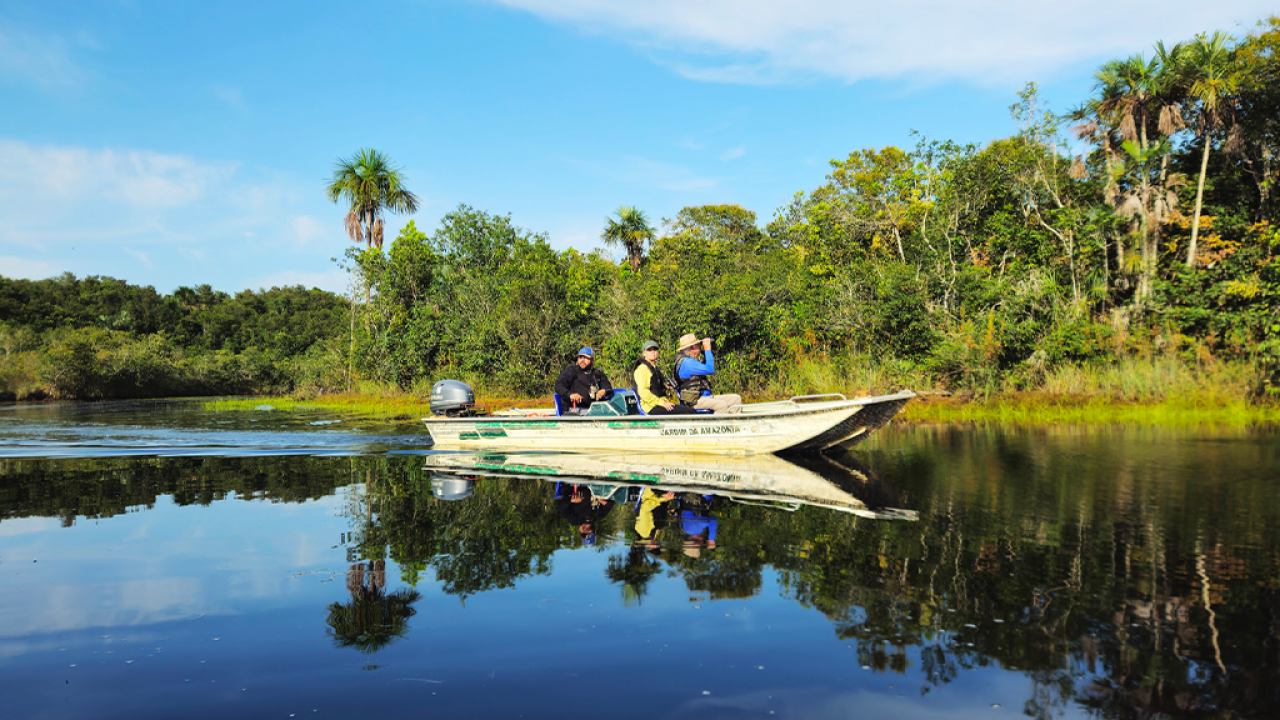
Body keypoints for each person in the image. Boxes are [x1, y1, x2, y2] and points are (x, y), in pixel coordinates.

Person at [673, 333, 742, 414]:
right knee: (721, 405)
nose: (700, 346)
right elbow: (710, 369)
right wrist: (707, 350)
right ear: (692, 347)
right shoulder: (687, 363)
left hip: (703, 397)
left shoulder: (691, 361)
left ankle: (734, 425)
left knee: (736, 399)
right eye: (698, 345)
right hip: (693, 401)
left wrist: (707, 352)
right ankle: (718, 426)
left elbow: (705, 366)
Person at [632, 340, 698, 415]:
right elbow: (643, 392)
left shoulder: (655, 369)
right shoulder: (642, 369)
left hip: (662, 403)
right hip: (651, 406)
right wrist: (661, 403)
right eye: (649, 350)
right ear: (644, 353)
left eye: (655, 349)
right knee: (690, 412)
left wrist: (669, 388)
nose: (653, 352)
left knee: (689, 409)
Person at [554, 346, 613, 414]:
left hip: (594, 409)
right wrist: (570, 395)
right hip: (574, 410)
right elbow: (559, 386)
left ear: (593, 360)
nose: (582, 360)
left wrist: (604, 391)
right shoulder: (571, 371)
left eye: (586, 358)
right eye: (580, 357)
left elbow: (607, 386)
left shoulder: (598, 374)